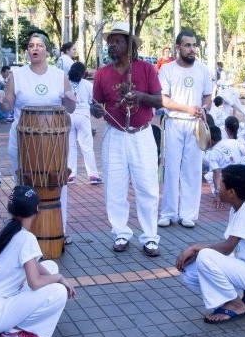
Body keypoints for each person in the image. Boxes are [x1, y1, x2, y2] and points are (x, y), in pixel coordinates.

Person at [0, 30, 76, 246]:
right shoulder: (17, 75)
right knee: (22, 183)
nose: (35, 48)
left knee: (56, 182)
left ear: (47, 50)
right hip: (23, 138)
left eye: (39, 45)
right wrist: (0, 101)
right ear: (27, 51)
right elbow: (8, 105)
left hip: (53, 140)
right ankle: (21, 233)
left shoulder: (58, 75)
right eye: (31, 45)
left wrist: (71, 99)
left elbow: (69, 107)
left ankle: (59, 230)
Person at [91, 21, 162, 256]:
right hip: (115, 135)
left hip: (142, 134)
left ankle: (150, 237)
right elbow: (96, 106)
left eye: (117, 41)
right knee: (114, 186)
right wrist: (97, 111)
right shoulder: (102, 74)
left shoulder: (146, 69)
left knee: (148, 187)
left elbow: (159, 100)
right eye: (110, 41)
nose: (112, 45)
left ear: (129, 45)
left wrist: (141, 96)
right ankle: (120, 233)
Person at [176, 164, 245, 324]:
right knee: (190, 273)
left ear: (231, 192)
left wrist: (195, 248)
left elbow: (227, 247)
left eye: (221, 184)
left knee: (205, 257)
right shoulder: (238, 207)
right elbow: (232, 249)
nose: (217, 187)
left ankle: (236, 304)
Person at [0, 185, 76, 337]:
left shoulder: (9, 229)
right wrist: (59, 279)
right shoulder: (26, 238)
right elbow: (35, 283)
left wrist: (53, 277)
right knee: (58, 291)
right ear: (36, 208)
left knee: (50, 266)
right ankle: (14, 332)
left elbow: (34, 264)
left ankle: (12, 323)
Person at [157, 30, 213, 229]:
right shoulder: (167, 70)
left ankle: (188, 214)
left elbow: (208, 97)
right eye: (187, 45)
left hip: (195, 125)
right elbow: (163, 99)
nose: (192, 50)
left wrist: (203, 109)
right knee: (171, 168)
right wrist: (187, 108)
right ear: (178, 47)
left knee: (192, 170)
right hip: (174, 123)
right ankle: (168, 213)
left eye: (194, 45)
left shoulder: (203, 70)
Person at [67, 61, 103, 185]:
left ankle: (70, 175)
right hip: (83, 116)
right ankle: (93, 175)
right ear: (83, 73)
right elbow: (92, 101)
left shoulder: (65, 83)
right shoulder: (87, 84)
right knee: (87, 146)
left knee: (70, 146)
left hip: (68, 116)